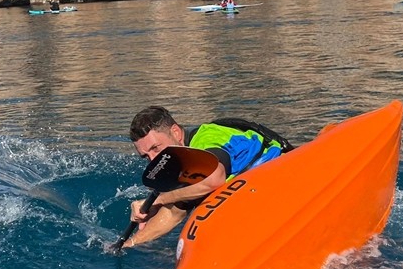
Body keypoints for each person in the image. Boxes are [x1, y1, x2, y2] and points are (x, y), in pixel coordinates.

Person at [124, 106, 293, 247]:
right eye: (145, 156)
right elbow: (174, 212)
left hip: (284, 175)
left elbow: (214, 179)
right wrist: (130, 243)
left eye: (156, 148)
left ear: (176, 132)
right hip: (254, 193)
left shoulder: (207, 138)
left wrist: (160, 199)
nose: (153, 160)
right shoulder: (180, 164)